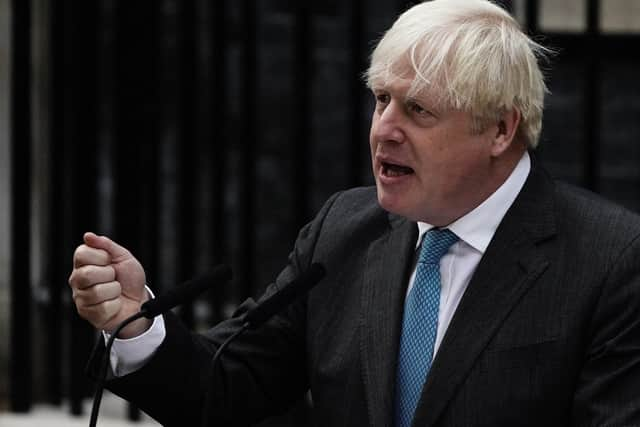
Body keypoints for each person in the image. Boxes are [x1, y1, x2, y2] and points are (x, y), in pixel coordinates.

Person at [68, 0, 640, 425]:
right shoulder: (344, 229)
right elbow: (225, 391)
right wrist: (137, 324)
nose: (384, 129)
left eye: (417, 109)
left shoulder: (610, 260)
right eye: (381, 99)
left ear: (500, 129)